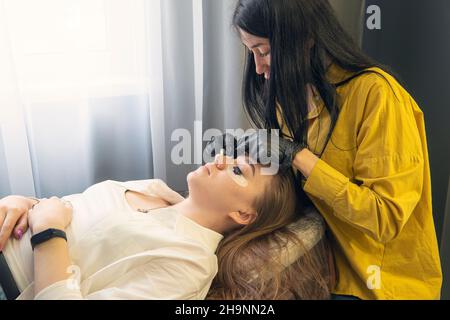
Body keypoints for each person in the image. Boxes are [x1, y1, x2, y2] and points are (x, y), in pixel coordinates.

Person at [227, 0, 443, 299]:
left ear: (305, 39)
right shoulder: (289, 97)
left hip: (378, 285)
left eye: (263, 51)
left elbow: (385, 219)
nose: (259, 67)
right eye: (251, 52)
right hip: (322, 267)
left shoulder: (377, 96)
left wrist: (299, 156)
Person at [0, 154, 334, 300]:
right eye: (231, 155)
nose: (220, 159)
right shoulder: (153, 189)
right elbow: (77, 215)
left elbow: (58, 226)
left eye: (237, 172)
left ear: (244, 214)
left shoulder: (190, 263)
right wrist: (25, 203)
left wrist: (47, 231)